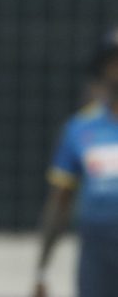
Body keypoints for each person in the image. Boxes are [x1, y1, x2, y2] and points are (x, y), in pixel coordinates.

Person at [32, 28, 118, 297]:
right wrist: (42, 270)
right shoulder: (79, 129)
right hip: (97, 250)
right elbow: (60, 201)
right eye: (114, 61)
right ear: (102, 68)